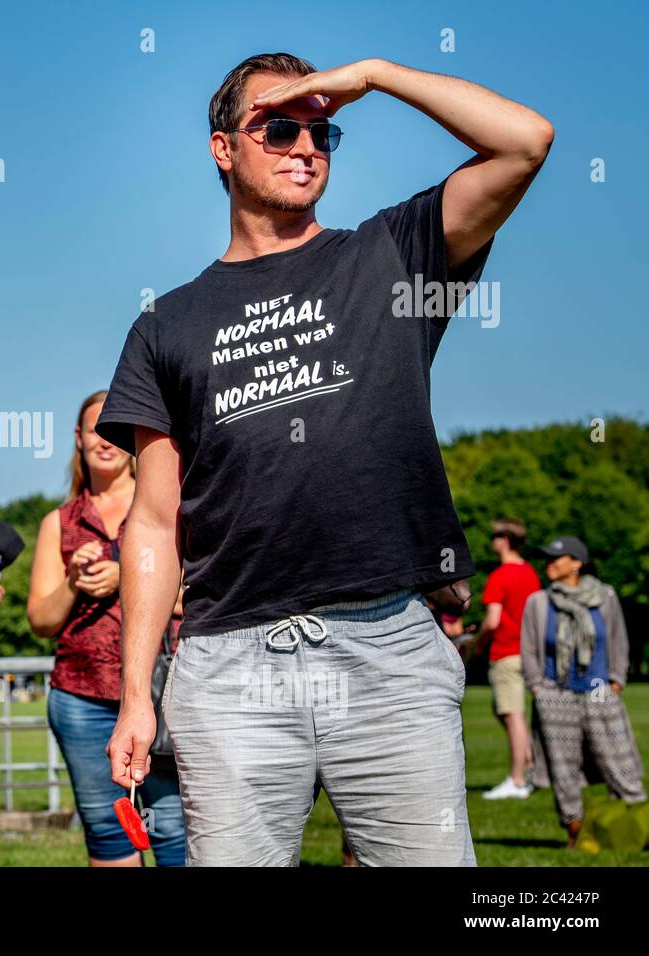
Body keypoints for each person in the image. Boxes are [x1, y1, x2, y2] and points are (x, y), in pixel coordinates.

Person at [97, 52, 552, 866]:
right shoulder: (165, 325)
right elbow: (154, 523)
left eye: (323, 129)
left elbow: (524, 142)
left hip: (388, 647)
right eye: (277, 127)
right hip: (229, 663)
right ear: (222, 148)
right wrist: (137, 695)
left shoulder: (391, 253)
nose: (305, 145)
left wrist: (375, 75)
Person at [27, 390, 185, 866]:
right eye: (92, 428)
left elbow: (198, 596)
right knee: (108, 828)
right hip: (82, 697)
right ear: (77, 439)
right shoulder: (60, 520)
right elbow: (41, 620)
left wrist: (127, 579)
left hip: (162, 692)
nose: (103, 439)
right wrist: (73, 582)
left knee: (175, 828)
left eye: (112, 428)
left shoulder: (166, 506)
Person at [521, 536, 646, 847]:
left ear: (576, 563)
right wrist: (538, 688)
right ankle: (575, 831)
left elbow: (617, 640)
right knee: (564, 767)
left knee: (619, 758)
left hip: (598, 689)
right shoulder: (539, 602)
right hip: (555, 693)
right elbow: (529, 648)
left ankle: (639, 824)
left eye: (556, 559)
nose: (549, 564)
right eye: (547, 559)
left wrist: (616, 680)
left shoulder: (605, 596)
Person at [479, 518, 541, 800]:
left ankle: (517, 781)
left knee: (513, 716)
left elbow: (492, 621)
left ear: (504, 540)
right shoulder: (530, 573)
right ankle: (528, 769)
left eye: (495, 537)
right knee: (506, 712)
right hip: (528, 653)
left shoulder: (500, 576)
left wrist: (479, 644)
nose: (493, 541)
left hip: (505, 652)